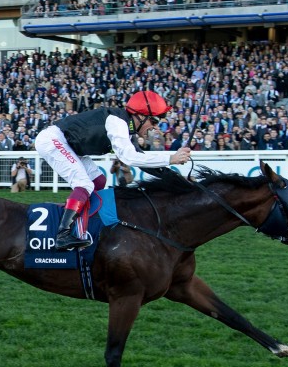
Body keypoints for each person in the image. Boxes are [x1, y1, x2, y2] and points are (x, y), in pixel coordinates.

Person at [34, 91, 191, 250]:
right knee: (84, 184)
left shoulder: (127, 129)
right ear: (140, 116)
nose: (155, 126)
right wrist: (171, 159)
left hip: (69, 145)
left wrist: (178, 180)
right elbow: (129, 158)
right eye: (153, 120)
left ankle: (86, 222)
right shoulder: (117, 123)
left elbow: (142, 161)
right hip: (53, 140)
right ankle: (63, 234)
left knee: (98, 181)